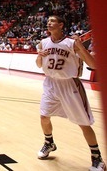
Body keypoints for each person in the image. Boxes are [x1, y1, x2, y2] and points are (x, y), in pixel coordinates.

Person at [35, 15, 105, 170]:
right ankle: (49, 143)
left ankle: (97, 158)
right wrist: (39, 57)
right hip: (50, 83)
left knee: (83, 123)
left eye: (52, 21)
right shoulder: (43, 43)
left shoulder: (72, 43)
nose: (49, 23)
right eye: (48, 21)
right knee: (44, 117)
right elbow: (39, 65)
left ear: (61, 25)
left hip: (69, 84)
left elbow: (93, 64)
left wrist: (81, 47)